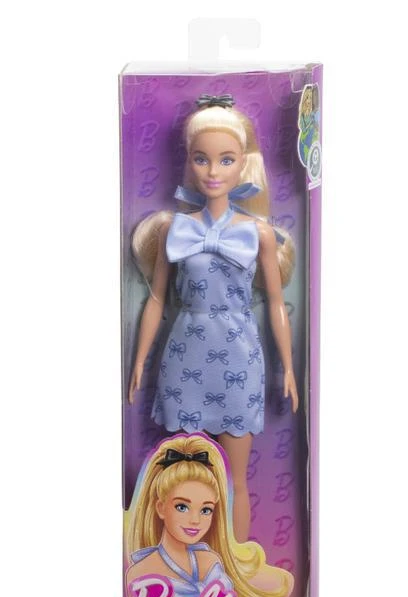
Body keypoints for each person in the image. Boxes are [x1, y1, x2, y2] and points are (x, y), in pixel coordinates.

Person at [128, 94, 299, 543]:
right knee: (185, 479)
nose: (213, 171)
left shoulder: (258, 234)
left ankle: (235, 567)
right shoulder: (175, 229)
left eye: (226, 159)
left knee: (235, 479)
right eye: (201, 159)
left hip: (240, 358)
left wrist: (288, 368)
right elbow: (157, 299)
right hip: (184, 358)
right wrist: (140, 361)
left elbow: (276, 303)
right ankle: (189, 563)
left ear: (244, 164)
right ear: (189, 161)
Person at [126, 434, 292, 597]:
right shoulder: (140, 572)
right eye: (182, 507)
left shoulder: (211, 561)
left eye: (206, 510)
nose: (195, 520)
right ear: (161, 508)